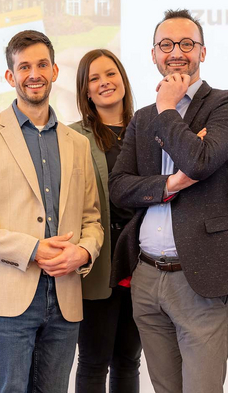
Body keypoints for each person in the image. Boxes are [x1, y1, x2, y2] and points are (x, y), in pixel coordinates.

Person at [108, 9, 228, 393]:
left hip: (202, 277)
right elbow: (119, 187)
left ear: (202, 52)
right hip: (146, 276)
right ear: (153, 54)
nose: (176, 52)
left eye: (187, 44)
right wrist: (171, 183)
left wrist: (168, 108)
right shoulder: (142, 118)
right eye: (166, 45)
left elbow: (199, 162)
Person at [0, 30, 104, 393]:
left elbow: (92, 219)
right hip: (6, 298)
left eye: (41, 65)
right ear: (10, 76)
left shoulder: (78, 143)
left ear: (54, 71)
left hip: (65, 297)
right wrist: (31, 249)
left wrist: (84, 252)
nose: (34, 74)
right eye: (24, 67)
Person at [69, 49, 141, 393]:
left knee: (129, 359)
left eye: (110, 74)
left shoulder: (147, 128)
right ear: (85, 90)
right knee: (94, 360)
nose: (104, 83)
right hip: (98, 261)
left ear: (122, 79)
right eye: (94, 78)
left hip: (142, 259)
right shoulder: (72, 137)